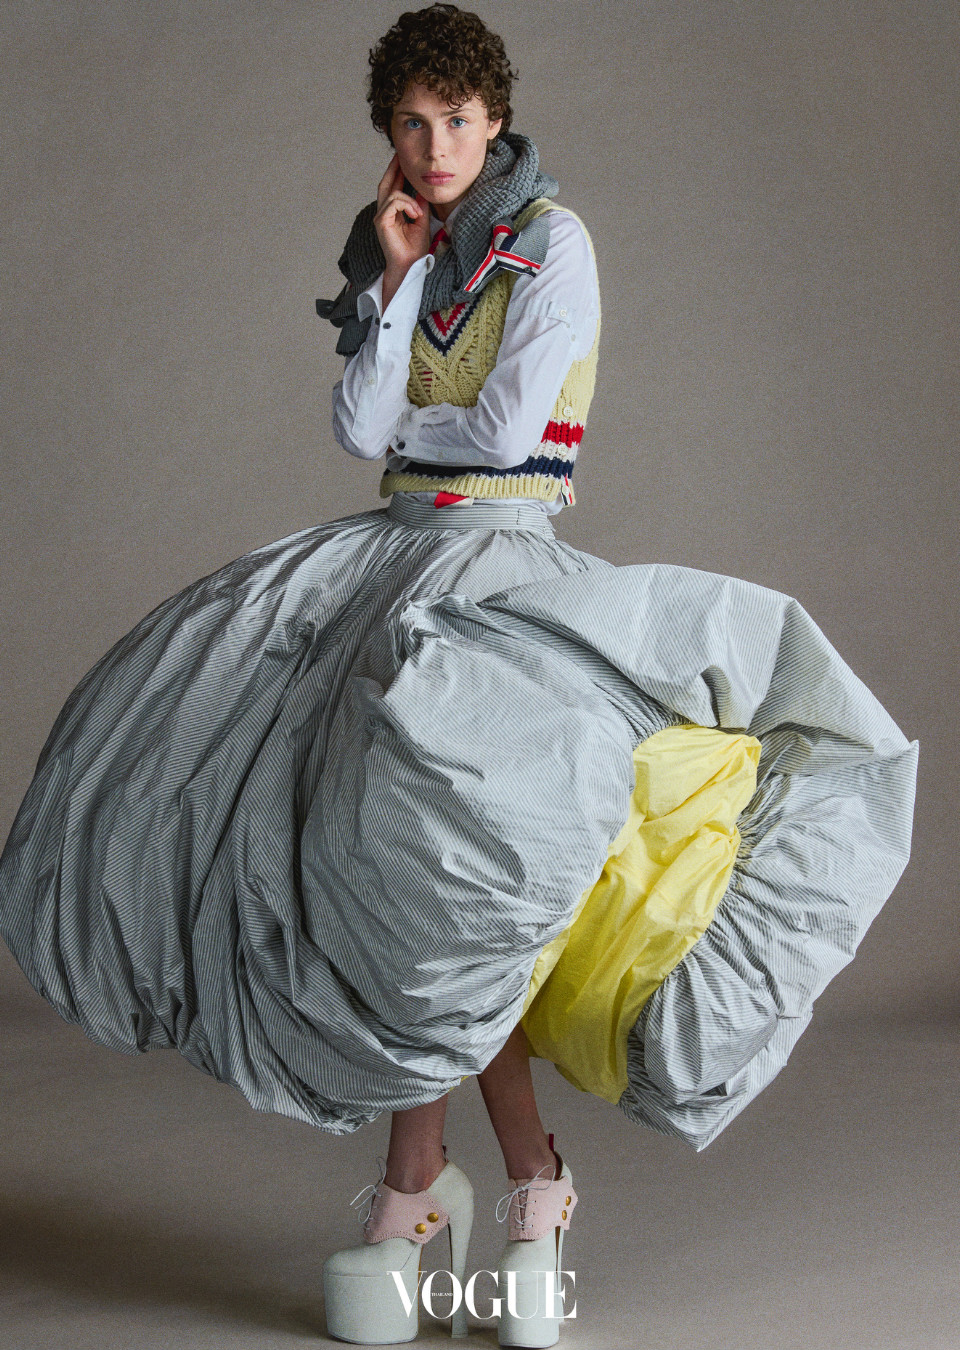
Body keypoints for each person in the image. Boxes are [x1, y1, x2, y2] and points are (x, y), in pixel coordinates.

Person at [0, 4, 918, 1348]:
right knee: (375, 867)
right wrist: (390, 282)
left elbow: (502, 431)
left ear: (498, 119)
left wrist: (422, 413)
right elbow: (358, 427)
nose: (436, 148)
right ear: (390, 134)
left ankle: (441, 1189)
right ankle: (489, 1189)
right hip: (390, 562)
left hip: (498, 570)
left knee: (464, 881)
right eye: (412, 125)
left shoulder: (555, 241)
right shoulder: (412, 247)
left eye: (459, 121)